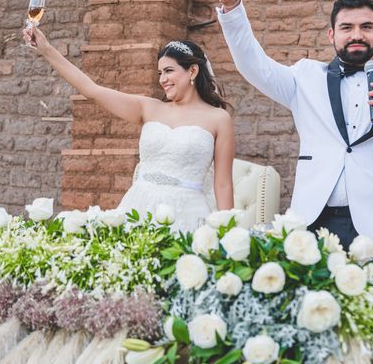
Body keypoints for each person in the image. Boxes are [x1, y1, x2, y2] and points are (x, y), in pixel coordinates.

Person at [211, 0, 373, 281]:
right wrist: (232, 7)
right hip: (312, 225)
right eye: (346, 27)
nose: (356, 35)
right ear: (331, 34)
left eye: (366, 26)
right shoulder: (304, 77)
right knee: (313, 320)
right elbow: (253, 65)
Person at [23, 27, 235, 233]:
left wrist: (228, 234)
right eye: (160, 72)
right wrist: (46, 49)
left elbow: (223, 184)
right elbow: (92, 90)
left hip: (188, 212)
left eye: (169, 71)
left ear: (193, 71)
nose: (162, 79)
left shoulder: (218, 119)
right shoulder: (149, 108)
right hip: (139, 205)